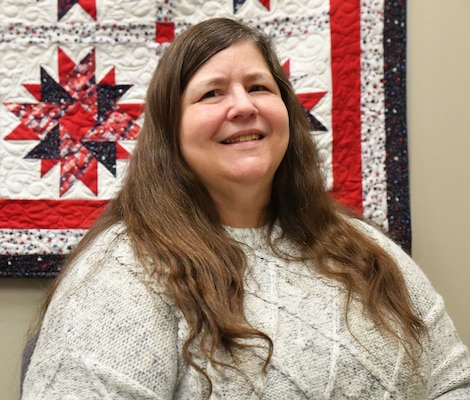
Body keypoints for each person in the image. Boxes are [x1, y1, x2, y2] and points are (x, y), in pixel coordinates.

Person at [21, 17, 470, 399]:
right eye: (211, 94)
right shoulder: (122, 270)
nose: (243, 106)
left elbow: (453, 382)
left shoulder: (365, 247)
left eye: (258, 87)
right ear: (169, 132)